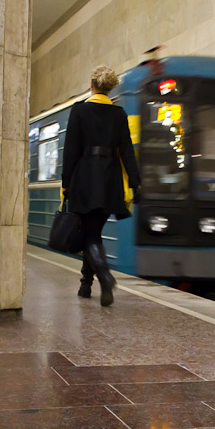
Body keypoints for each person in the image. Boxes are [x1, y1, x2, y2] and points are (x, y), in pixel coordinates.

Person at [62, 66, 141, 307]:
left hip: (85, 176)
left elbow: (72, 150)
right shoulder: (119, 114)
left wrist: (66, 183)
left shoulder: (80, 111)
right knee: (93, 231)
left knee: (90, 234)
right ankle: (86, 284)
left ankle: (104, 276)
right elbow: (127, 151)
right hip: (109, 179)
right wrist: (135, 183)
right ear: (110, 87)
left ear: (91, 84)